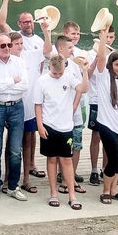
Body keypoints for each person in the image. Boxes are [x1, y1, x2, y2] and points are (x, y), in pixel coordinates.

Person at [89, 29, 118, 205]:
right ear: (110, 65)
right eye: (117, 65)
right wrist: (102, 37)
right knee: (113, 157)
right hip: (106, 125)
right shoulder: (103, 77)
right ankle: (105, 191)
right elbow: (101, 57)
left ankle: (114, 189)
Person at [0, 33, 29, 202]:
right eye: (3, 45)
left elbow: (24, 85)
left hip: (16, 106)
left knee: (15, 150)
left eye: (9, 44)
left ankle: (13, 186)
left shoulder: (19, 62)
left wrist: (0, 83)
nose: (7, 48)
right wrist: (12, 81)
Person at [34, 55, 85, 210]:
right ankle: (53, 193)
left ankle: (72, 195)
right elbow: (38, 105)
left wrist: (85, 71)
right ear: (49, 67)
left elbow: (83, 89)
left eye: (60, 73)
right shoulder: (42, 81)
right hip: (49, 125)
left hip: (66, 127)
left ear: (64, 68)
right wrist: (40, 125)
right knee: (51, 159)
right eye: (55, 73)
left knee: (67, 160)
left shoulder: (69, 77)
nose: (57, 76)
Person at [17, 22, 52, 194]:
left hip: (31, 103)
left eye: (21, 43)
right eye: (16, 44)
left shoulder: (31, 53)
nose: (19, 46)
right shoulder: (7, 59)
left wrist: (46, 32)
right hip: (13, 105)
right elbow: (1, 23)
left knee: (29, 137)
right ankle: (10, 178)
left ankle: (28, 173)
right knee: (14, 143)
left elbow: (47, 51)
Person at [53, 35, 89, 193]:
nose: (72, 50)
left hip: (75, 114)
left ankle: (71, 177)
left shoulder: (75, 65)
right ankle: (63, 179)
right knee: (63, 148)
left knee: (77, 146)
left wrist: (74, 106)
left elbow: (80, 88)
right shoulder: (54, 65)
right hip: (59, 117)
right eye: (69, 47)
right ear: (61, 48)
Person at [87, 25, 116, 186]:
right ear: (100, 35)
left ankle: (105, 168)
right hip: (96, 101)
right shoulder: (90, 53)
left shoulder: (114, 55)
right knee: (96, 136)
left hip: (110, 102)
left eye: (111, 37)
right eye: (106, 36)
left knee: (108, 138)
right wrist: (98, 56)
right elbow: (88, 74)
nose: (109, 40)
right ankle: (93, 169)